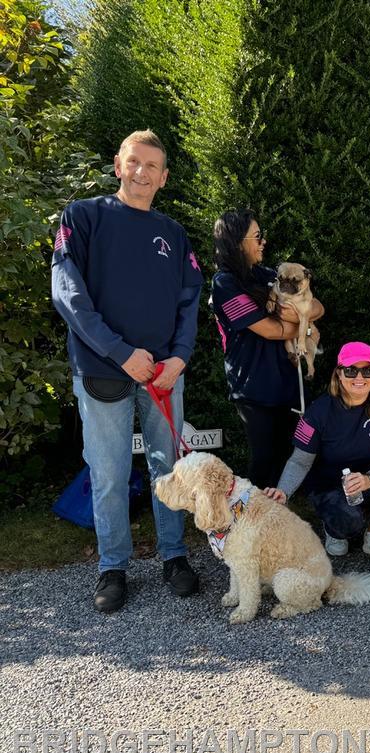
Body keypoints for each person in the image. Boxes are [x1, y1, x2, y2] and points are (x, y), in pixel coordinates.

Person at [51, 130, 203, 612]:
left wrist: (177, 358)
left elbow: (189, 300)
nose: (141, 172)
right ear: (118, 164)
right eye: (134, 162)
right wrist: (120, 353)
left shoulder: (173, 233)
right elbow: (68, 294)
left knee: (170, 469)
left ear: (164, 177)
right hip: (104, 371)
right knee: (111, 473)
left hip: (163, 376)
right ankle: (112, 567)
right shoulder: (84, 217)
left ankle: (174, 555)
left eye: (152, 166)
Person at [211, 209, 324, 488]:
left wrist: (299, 318)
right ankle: (253, 521)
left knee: (291, 457)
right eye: (257, 236)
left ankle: (281, 520)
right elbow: (268, 330)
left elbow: (318, 306)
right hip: (253, 384)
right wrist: (305, 326)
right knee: (263, 461)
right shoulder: (226, 283)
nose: (264, 242)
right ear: (237, 240)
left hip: (286, 379)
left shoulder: (268, 274)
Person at [264, 343, 370, 564]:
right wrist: (284, 491)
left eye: (367, 370)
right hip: (329, 484)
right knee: (348, 523)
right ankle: (334, 529)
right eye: (351, 370)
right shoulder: (318, 411)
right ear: (339, 374)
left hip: (368, 478)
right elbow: (300, 462)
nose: (359, 376)